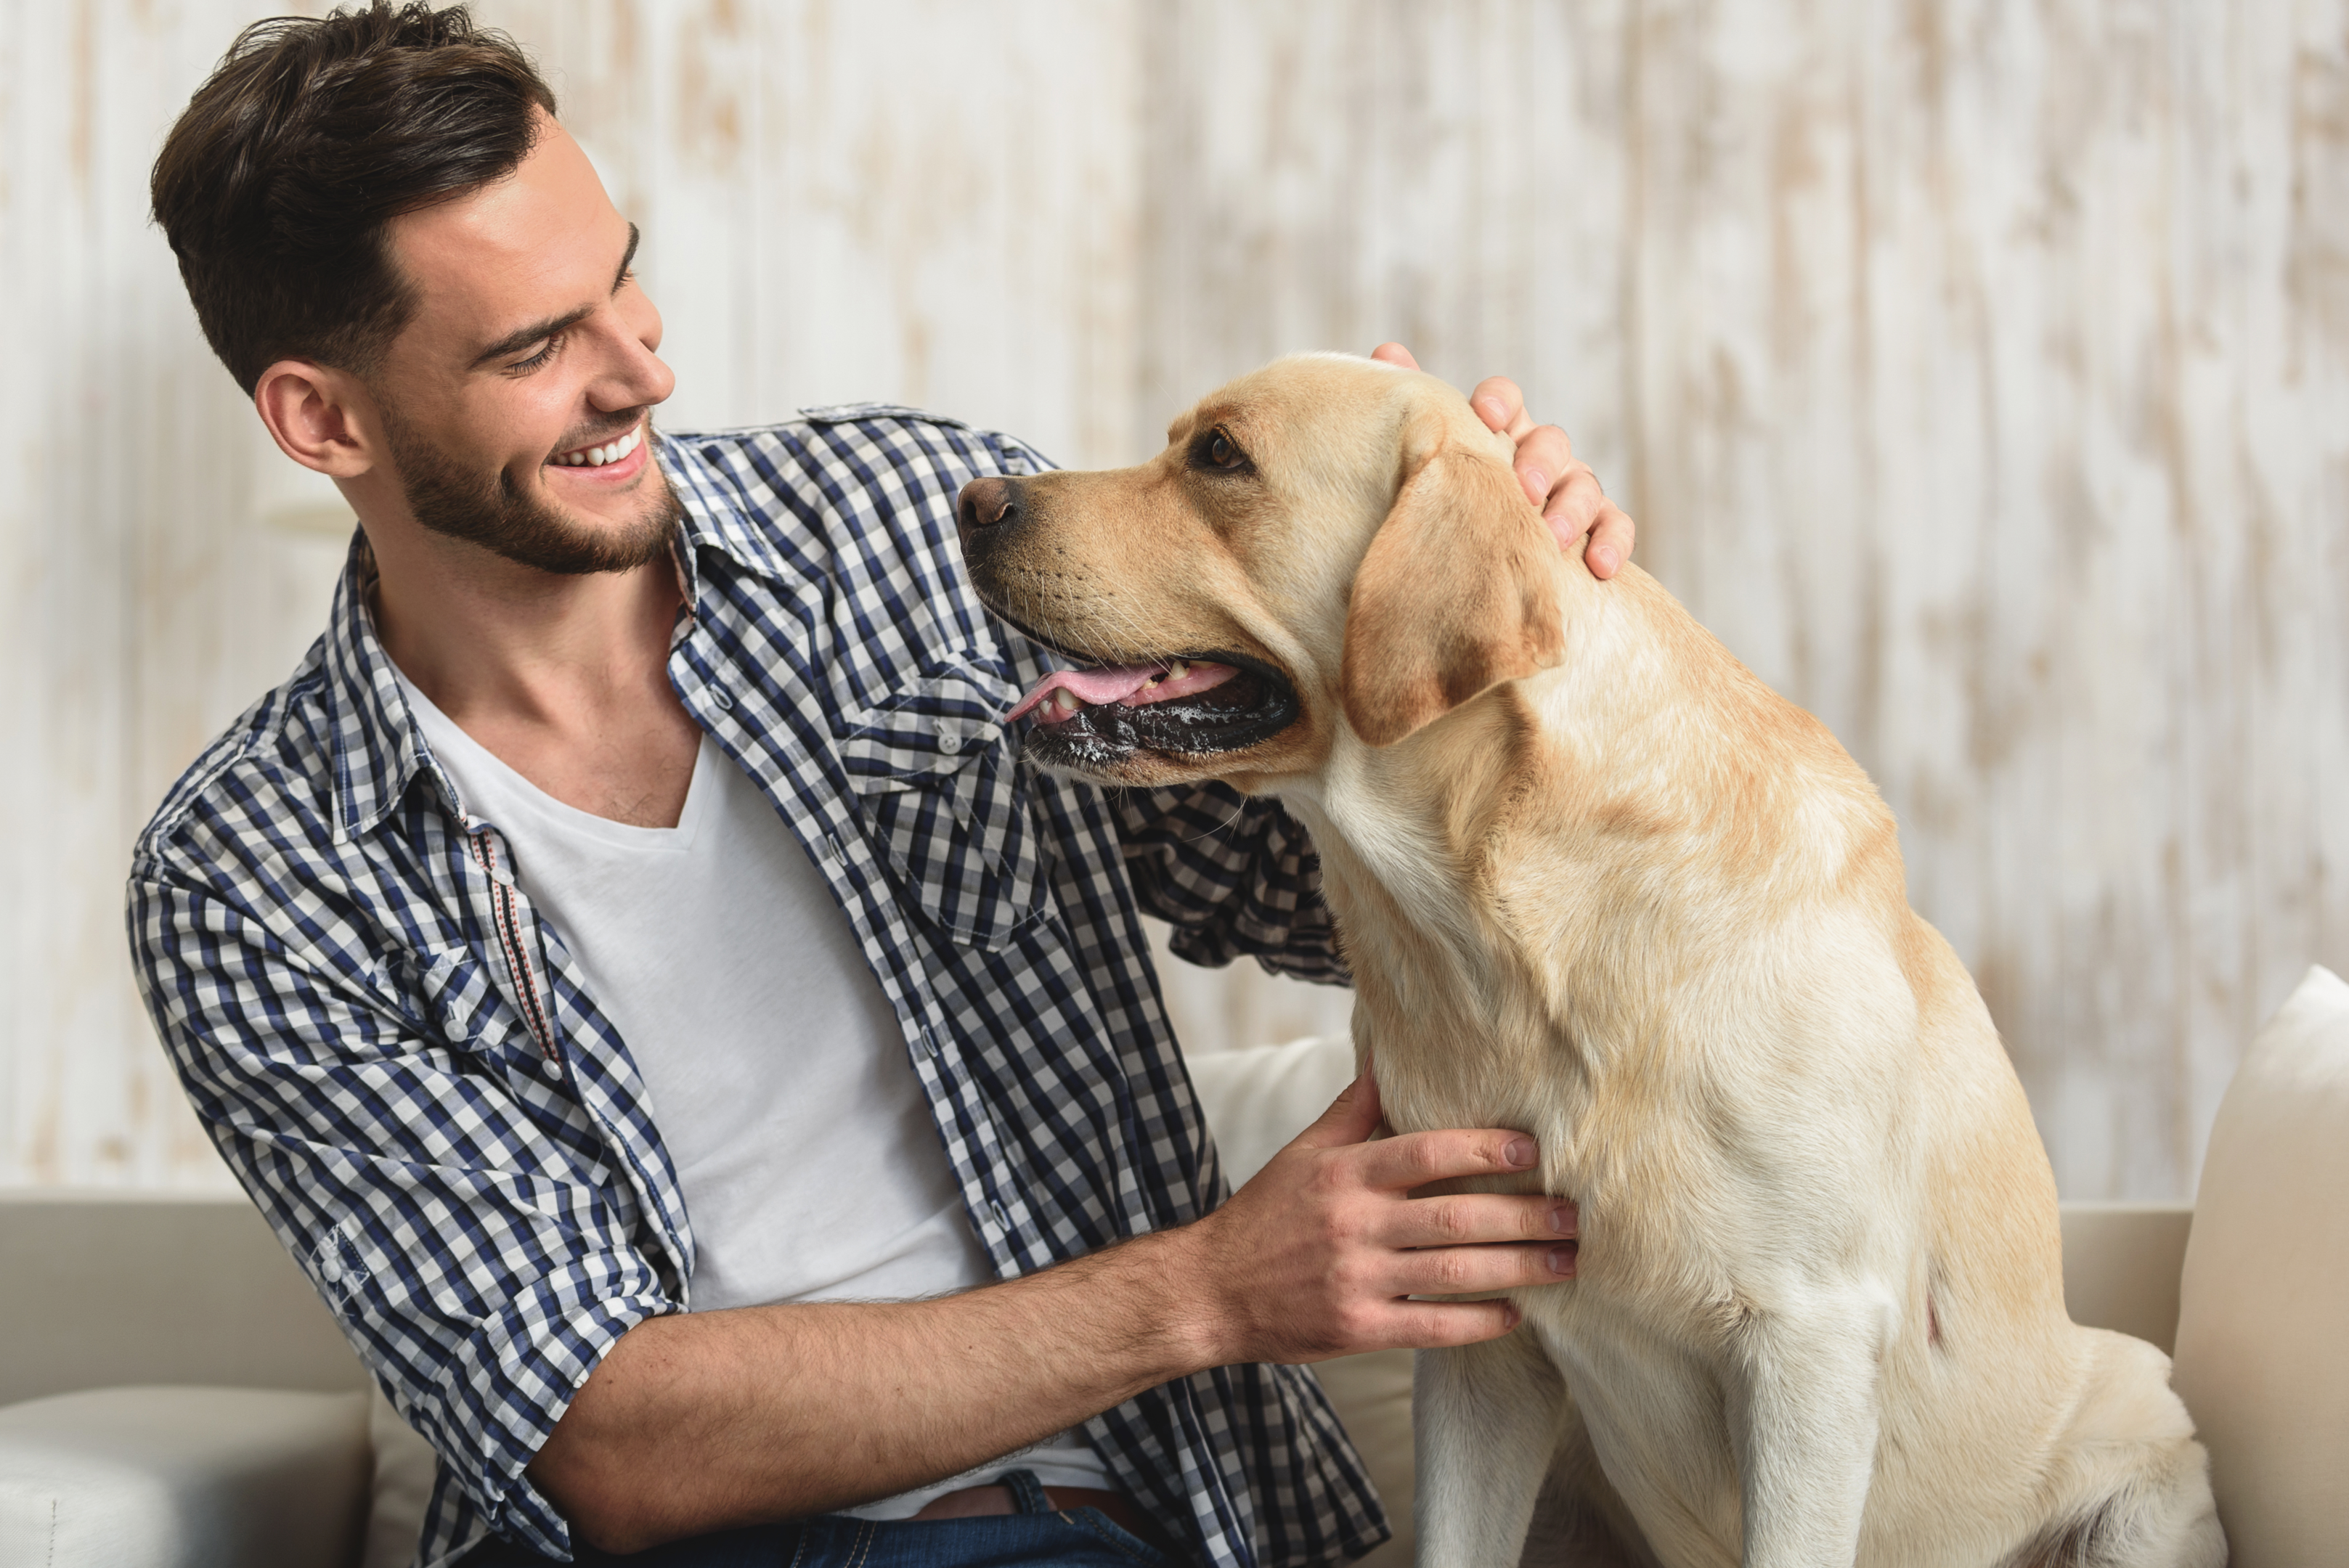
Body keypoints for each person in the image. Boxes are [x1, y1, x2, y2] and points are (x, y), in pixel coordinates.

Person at [128, 6, 1637, 1567]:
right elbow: (601, 1436)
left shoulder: (917, 529)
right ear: (323, 418)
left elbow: (1332, 904)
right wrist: (1209, 1289)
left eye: (620, 277)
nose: (644, 366)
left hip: (1073, 1524)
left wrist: (1507, 617)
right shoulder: (250, 876)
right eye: (534, 346)